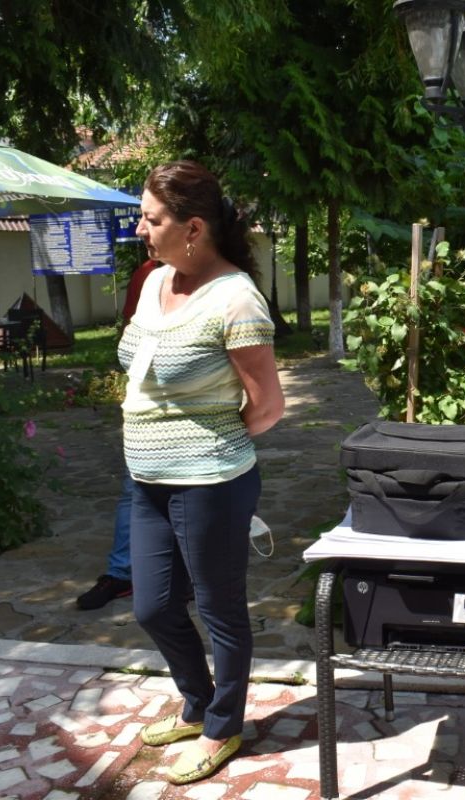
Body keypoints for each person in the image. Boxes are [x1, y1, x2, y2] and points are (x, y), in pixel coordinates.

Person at [119, 161, 284, 785]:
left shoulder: (235, 298)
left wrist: (209, 447)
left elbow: (267, 406)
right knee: (152, 606)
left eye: (151, 219)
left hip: (211, 482)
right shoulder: (155, 280)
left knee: (221, 610)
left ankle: (222, 725)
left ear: (193, 228)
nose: (140, 229)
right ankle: (196, 702)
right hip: (147, 479)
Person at [76, 257, 162, 611]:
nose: (143, 232)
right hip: (147, 404)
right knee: (134, 491)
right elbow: (130, 334)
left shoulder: (217, 275)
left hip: (199, 412)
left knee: (193, 496)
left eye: (153, 226)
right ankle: (121, 572)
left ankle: (186, 577)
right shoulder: (147, 273)